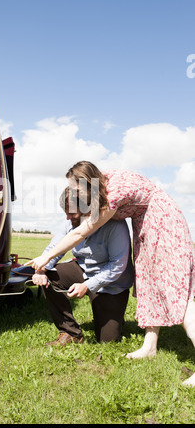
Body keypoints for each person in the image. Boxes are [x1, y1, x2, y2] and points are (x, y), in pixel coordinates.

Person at [26, 161, 195, 386]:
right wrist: (44, 267)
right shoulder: (104, 182)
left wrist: (45, 260)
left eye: (76, 190)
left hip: (162, 225)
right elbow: (65, 237)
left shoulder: (110, 200)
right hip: (146, 223)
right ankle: (150, 345)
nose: (74, 195)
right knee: (150, 283)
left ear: (88, 185)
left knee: (176, 292)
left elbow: (80, 235)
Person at [32, 186, 134, 345]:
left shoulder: (115, 226)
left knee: (107, 340)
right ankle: (70, 332)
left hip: (111, 284)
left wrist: (87, 286)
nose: (67, 217)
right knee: (51, 277)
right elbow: (54, 248)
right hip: (83, 270)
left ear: (88, 209)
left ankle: (114, 318)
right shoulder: (71, 223)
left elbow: (117, 266)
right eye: (65, 212)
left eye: (71, 212)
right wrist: (41, 270)